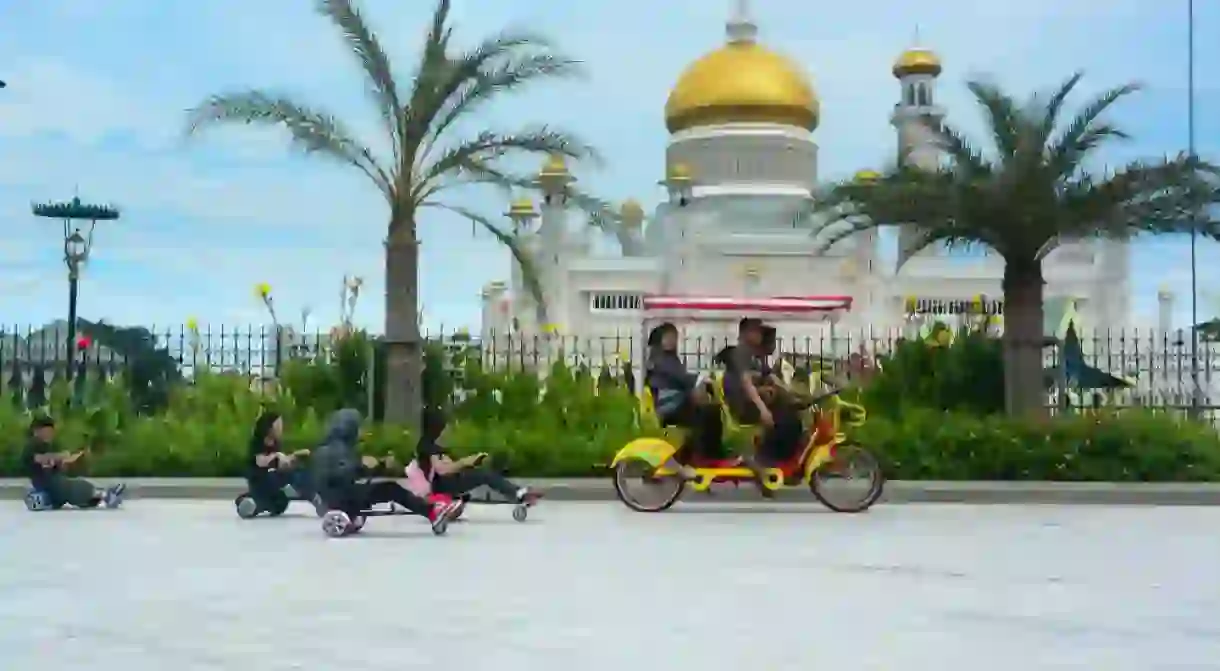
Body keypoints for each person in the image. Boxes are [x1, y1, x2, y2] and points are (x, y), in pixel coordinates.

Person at [312, 408, 459, 533]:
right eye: (358, 428)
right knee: (390, 489)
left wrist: (379, 465)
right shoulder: (329, 451)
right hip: (341, 498)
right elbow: (335, 476)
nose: (361, 432)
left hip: (347, 493)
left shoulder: (340, 447)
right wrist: (360, 465)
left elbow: (351, 472)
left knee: (389, 487)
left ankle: (432, 511)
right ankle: (432, 511)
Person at [720, 318, 800, 496]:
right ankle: (761, 461)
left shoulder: (754, 355)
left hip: (753, 402)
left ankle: (776, 465)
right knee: (786, 422)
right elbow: (746, 383)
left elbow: (772, 378)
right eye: (756, 331)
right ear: (745, 333)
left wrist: (792, 393)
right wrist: (763, 409)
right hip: (742, 405)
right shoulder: (739, 353)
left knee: (792, 415)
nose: (759, 335)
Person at [412, 405, 543, 506]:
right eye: (445, 427)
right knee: (483, 475)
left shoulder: (435, 446)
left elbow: (447, 465)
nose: (448, 430)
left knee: (485, 473)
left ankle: (517, 492)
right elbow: (442, 470)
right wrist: (465, 462)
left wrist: (471, 461)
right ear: (437, 428)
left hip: (448, 482)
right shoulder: (428, 446)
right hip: (442, 486)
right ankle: (518, 493)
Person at [645, 322, 724, 476]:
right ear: (660, 339)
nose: (673, 340)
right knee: (705, 413)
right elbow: (681, 378)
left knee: (712, 410)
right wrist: (701, 380)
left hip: (676, 402)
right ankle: (701, 456)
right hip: (669, 405)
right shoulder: (660, 359)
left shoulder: (668, 358)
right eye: (669, 337)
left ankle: (708, 454)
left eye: (674, 336)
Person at [23, 415, 125, 509]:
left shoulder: (52, 445)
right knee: (71, 487)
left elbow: (59, 466)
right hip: (45, 483)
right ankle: (105, 495)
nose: (50, 434)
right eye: (47, 431)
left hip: (57, 482)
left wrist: (68, 462)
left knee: (76, 485)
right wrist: (60, 456)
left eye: (51, 432)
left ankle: (104, 496)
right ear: (38, 431)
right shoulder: (32, 445)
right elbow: (38, 458)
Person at [246, 411, 311, 505]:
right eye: (278, 425)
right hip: (260, 480)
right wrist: (277, 456)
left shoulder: (276, 443)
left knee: (299, 471)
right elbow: (260, 462)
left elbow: (280, 464)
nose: (281, 428)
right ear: (269, 427)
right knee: (279, 476)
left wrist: (293, 458)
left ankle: (307, 492)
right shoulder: (257, 442)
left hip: (274, 478)